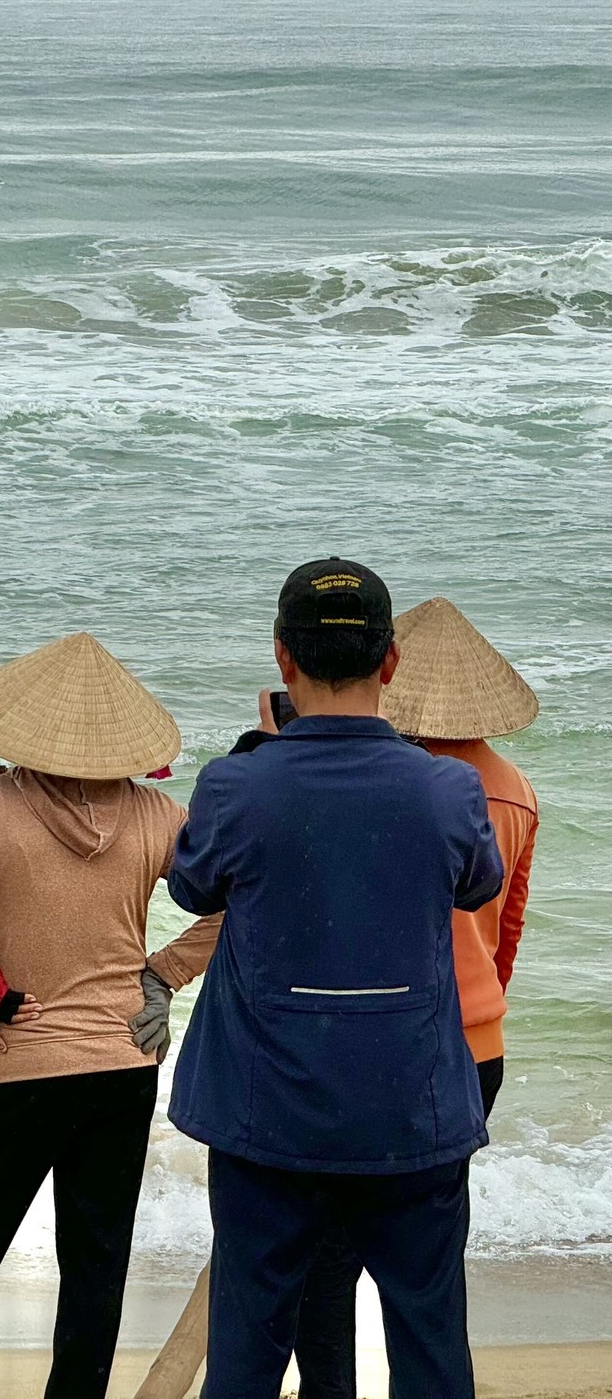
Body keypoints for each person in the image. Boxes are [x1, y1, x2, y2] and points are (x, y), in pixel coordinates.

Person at [168, 558, 504, 1399]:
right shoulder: (448, 788)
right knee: (430, 1340)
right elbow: (479, 883)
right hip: (411, 1108)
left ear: (283, 658)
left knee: (247, 1345)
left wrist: (262, 752)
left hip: (267, 1113)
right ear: (390, 661)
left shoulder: (238, 784)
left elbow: (192, 886)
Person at [0, 632, 222, 1399]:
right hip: (120, 1069)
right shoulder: (158, 814)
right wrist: (163, 975)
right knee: (95, 1271)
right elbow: (239, 900)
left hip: (14, 1071)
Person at [290, 595, 541, 1399]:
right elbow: (506, 933)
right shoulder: (513, 789)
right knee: (426, 1269)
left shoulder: (380, 784)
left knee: (325, 1263)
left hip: (374, 1044)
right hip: (472, 1047)